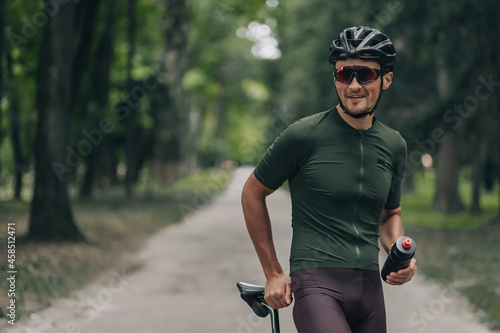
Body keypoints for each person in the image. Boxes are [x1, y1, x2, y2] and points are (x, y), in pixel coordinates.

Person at [241, 26, 417, 333]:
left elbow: (390, 215)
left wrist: (399, 257)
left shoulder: (394, 145)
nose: (352, 85)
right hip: (316, 283)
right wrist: (272, 272)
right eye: (343, 74)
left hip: (369, 288)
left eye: (364, 74)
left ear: (386, 79)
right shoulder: (304, 135)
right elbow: (252, 194)